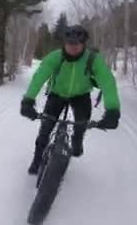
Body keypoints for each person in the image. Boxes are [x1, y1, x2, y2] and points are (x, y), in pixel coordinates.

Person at [20, 25, 121, 175]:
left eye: (77, 45)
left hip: (81, 95)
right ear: (64, 43)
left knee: (81, 124)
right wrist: (28, 100)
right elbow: (39, 78)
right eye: (69, 44)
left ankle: (77, 140)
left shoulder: (93, 59)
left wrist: (112, 110)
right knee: (45, 129)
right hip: (57, 94)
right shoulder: (55, 57)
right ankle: (37, 159)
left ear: (83, 44)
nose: (73, 48)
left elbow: (107, 82)